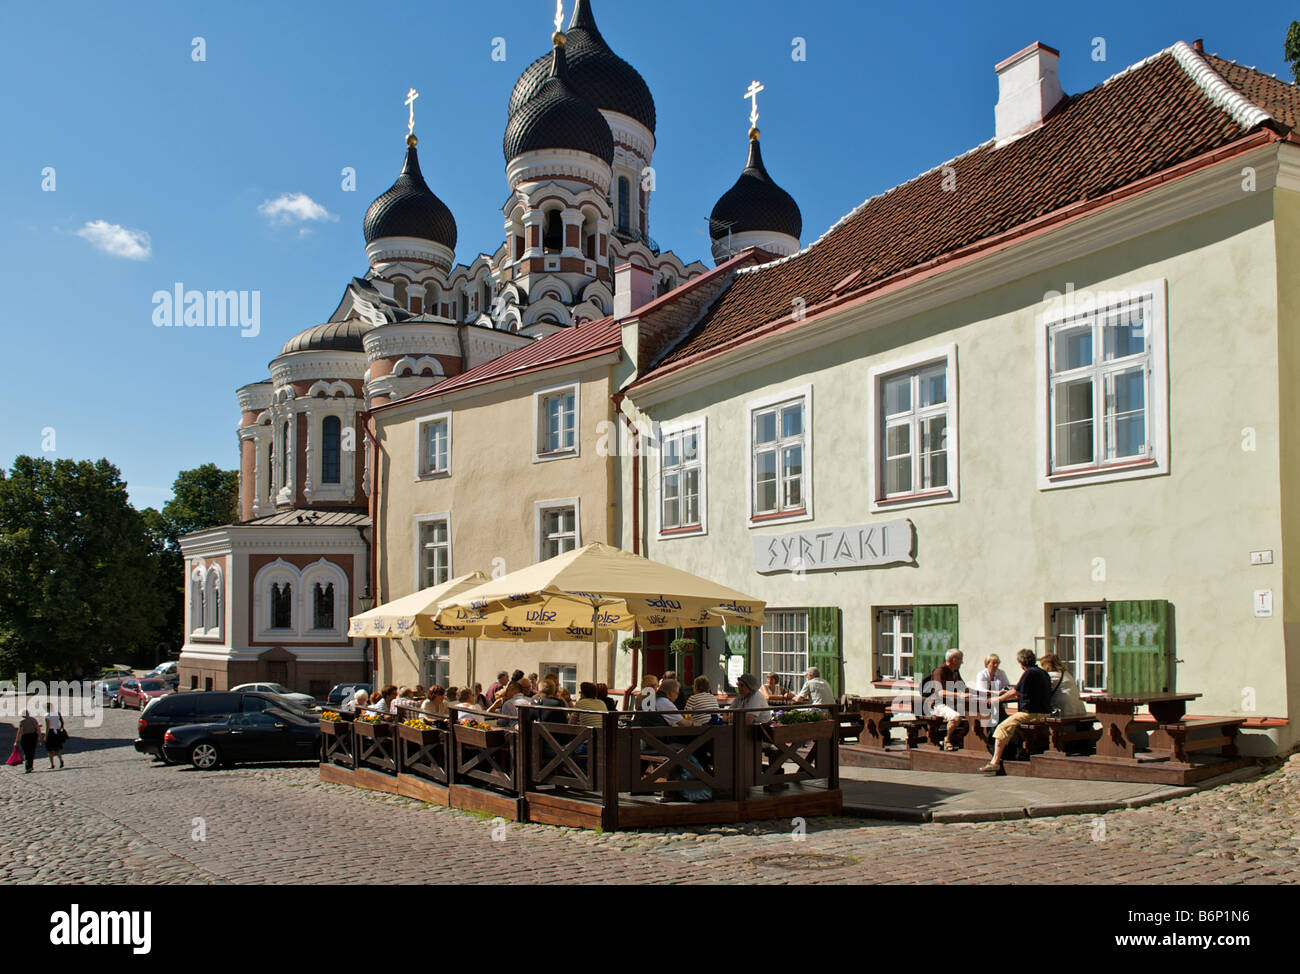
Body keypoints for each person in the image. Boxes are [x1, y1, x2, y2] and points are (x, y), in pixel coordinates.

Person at [980, 649, 1053, 774]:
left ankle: (995, 762)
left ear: (1021, 663)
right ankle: (1021, 751)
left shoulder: (1029, 673)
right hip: (1045, 712)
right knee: (1014, 725)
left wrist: (998, 699)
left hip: (1031, 713)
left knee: (1002, 727)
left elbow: (1015, 691)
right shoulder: (1043, 673)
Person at [925, 649, 966, 750]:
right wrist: (959, 695)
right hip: (938, 704)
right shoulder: (939, 671)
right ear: (954, 660)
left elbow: (963, 688)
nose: (962, 662)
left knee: (973, 718)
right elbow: (940, 692)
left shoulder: (955, 672)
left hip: (952, 703)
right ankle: (947, 740)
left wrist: (985, 693)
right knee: (955, 718)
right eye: (961, 659)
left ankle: (955, 738)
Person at [972, 653, 1011, 747]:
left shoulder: (1001, 673)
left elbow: (1007, 686)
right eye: (993, 663)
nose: (996, 665)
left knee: (1000, 716)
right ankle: (992, 740)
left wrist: (1003, 691)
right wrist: (995, 693)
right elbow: (980, 689)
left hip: (997, 702)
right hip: (983, 702)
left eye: (997, 663)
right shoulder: (982, 674)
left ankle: (1000, 739)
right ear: (987, 664)